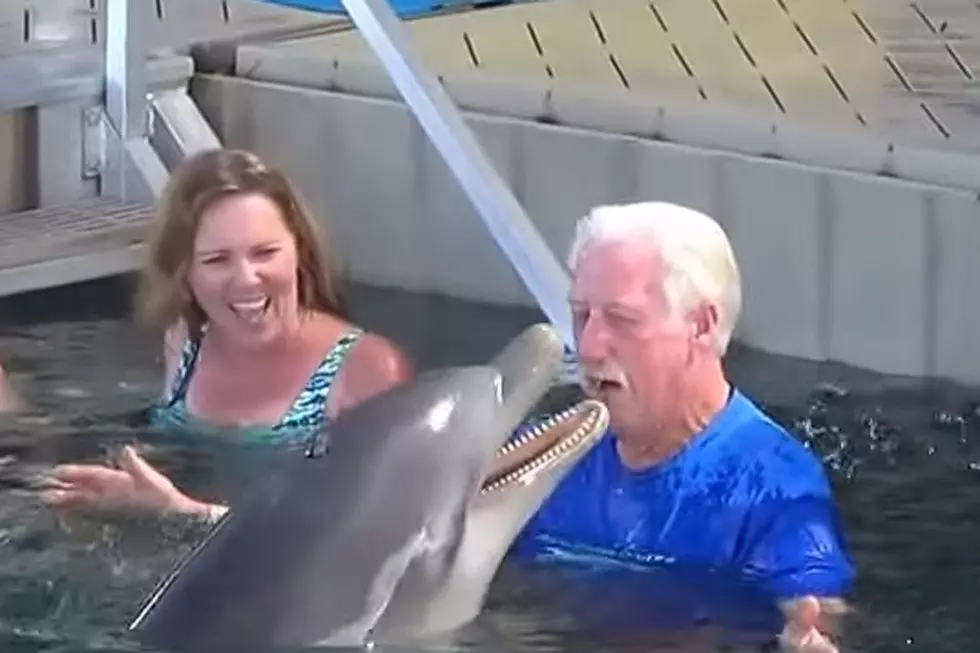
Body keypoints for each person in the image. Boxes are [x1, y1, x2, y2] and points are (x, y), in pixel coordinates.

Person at [509, 201, 854, 653]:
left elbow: (815, 611)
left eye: (622, 320)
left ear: (701, 325)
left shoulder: (773, 490)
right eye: (582, 316)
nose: (589, 347)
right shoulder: (544, 457)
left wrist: (809, 637)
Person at [40, 148, 414, 520]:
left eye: (265, 252)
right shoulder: (185, 339)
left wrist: (184, 513)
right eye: (217, 260)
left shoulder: (366, 370)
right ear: (184, 272)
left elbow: (372, 528)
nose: (247, 279)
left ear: (298, 250)